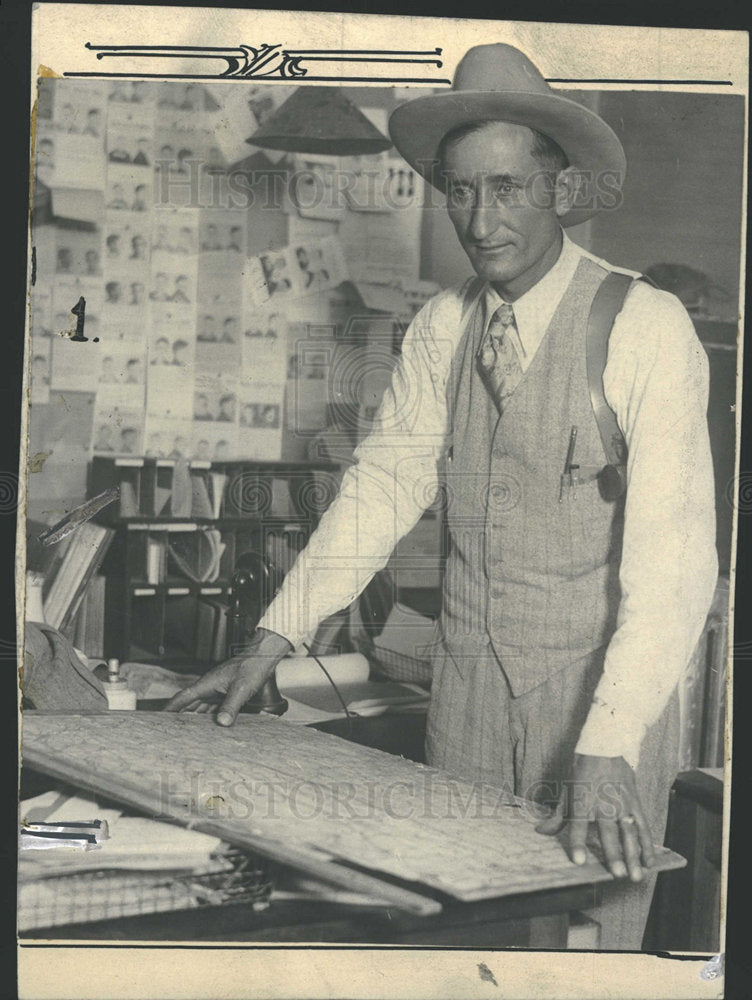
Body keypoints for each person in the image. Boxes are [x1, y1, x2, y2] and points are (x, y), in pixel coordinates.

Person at [166, 43, 717, 951]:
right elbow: (381, 487)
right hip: (463, 697)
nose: (481, 218)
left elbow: (675, 563)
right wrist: (274, 638)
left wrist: (611, 740)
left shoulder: (645, 324)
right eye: (460, 190)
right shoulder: (442, 324)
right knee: (456, 947)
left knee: (585, 955)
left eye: (507, 188)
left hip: (598, 700)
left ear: (562, 190)